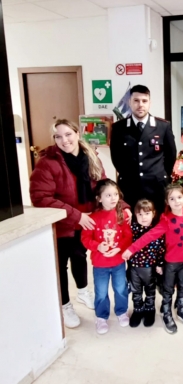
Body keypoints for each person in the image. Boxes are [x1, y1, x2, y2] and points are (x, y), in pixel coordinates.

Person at [29, 119, 117, 329]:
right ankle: (65, 304)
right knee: (61, 264)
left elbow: (103, 186)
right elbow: (40, 197)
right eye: (58, 136)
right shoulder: (47, 162)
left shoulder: (91, 157)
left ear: (77, 134)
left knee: (80, 257)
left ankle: (83, 292)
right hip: (63, 223)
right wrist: (76, 215)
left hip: (86, 221)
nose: (64, 140)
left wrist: (120, 204)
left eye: (68, 134)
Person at [122, 184, 183, 334]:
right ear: (167, 201)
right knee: (167, 290)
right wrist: (131, 249)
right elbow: (148, 236)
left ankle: (181, 309)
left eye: (179, 197)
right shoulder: (166, 220)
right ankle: (166, 313)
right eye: (172, 198)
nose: (176, 201)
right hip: (171, 262)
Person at [110, 84, 177, 214]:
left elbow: (171, 156)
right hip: (129, 187)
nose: (140, 104)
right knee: (131, 224)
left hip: (157, 187)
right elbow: (116, 158)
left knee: (157, 223)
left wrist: (160, 175)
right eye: (136, 100)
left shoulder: (163, 126)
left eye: (144, 101)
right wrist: (129, 175)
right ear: (129, 102)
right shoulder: (119, 128)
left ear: (149, 103)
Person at [81, 179, 132, 334]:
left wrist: (118, 248)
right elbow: (85, 239)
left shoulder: (122, 214)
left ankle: (121, 311)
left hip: (118, 262)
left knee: (121, 289)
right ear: (99, 198)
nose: (113, 198)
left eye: (115, 194)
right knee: (101, 292)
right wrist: (98, 246)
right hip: (100, 264)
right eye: (108, 195)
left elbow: (128, 236)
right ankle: (101, 316)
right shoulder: (93, 218)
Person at [128, 199, 166, 328]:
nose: (143, 217)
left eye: (147, 213)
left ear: (153, 214)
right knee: (136, 291)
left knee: (150, 290)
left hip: (150, 268)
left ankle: (150, 309)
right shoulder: (132, 229)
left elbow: (161, 249)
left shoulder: (157, 231)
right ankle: (138, 309)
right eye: (140, 214)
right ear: (135, 215)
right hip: (134, 267)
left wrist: (160, 264)